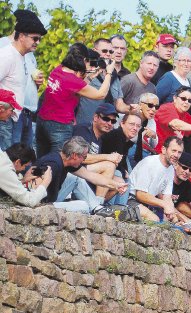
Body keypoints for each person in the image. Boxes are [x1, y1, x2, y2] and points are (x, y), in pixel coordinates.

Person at [36, 43, 114, 156]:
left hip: (42, 121)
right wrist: (109, 73)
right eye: (88, 60)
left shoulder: (58, 70)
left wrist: (91, 76)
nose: (89, 64)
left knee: (41, 159)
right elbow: (100, 95)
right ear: (82, 60)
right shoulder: (72, 80)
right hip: (60, 126)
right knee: (59, 161)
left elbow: (75, 90)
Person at [34, 136, 128, 214]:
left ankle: (97, 208)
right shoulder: (54, 164)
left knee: (75, 178)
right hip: (44, 204)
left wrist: (116, 185)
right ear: (75, 155)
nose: (84, 160)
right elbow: (36, 185)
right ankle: (94, 208)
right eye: (84, 157)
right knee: (84, 206)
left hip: (51, 198)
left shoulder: (67, 162)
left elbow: (92, 176)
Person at [0, 9, 47, 150]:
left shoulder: (22, 57)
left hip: (16, 117)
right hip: (4, 120)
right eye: (34, 38)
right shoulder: (7, 55)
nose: (37, 43)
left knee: (15, 161)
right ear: (21, 36)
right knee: (6, 163)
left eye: (39, 39)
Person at [76, 38, 139, 125]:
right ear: (95, 51)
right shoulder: (85, 71)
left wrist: (130, 108)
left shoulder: (114, 75)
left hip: (105, 128)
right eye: (105, 51)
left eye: (111, 52)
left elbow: (119, 104)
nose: (108, 54)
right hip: (84, 126)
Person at [128, 136, 182, 222]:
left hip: (147, 203)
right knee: (155, 219)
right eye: (173, 151)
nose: (176, 155)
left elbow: (166, 196)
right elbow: (140, 194)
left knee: (171, 222)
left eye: (179, 152)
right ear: (164, 149)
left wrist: (172, 215)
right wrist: (164, 204)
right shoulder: (149, 162)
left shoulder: (171, 169)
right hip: (131, 199)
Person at [0, 144, 50, 208]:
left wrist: (23, 180)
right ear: (18, 162)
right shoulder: (5, 169)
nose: (24, 169)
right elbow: (30, 201)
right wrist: (46, 181)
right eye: (25, 166)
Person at [129, 93, 160, 167]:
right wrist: (141, 134)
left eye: (156, 107)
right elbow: (129, 138)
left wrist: (154, 136)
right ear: (140, 104)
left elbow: (153, 145)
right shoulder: (131, 115)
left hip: (139, 152)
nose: (153, 109)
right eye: (150, 105)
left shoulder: (151, 121)